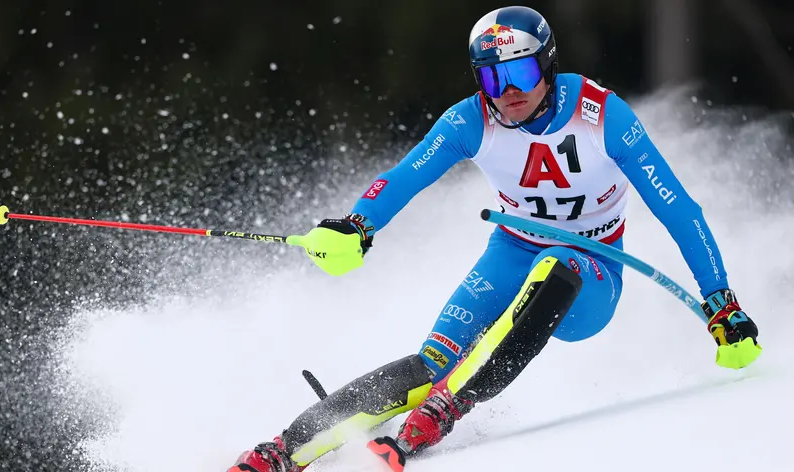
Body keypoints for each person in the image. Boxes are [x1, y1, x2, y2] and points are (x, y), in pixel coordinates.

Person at [229, 6, 760, 472]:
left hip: (591, 274)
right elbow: (404, 176)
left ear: (548, 65)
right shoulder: (470, 120)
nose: (508, 92)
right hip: (511, 253)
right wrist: (357, 224)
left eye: (521, 72)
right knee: (430, 363)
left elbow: (678, 208)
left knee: (557, 264)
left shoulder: (601, 115)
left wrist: (721, 301)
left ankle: (447, 407)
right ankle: (283, 451)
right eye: (491, 78)